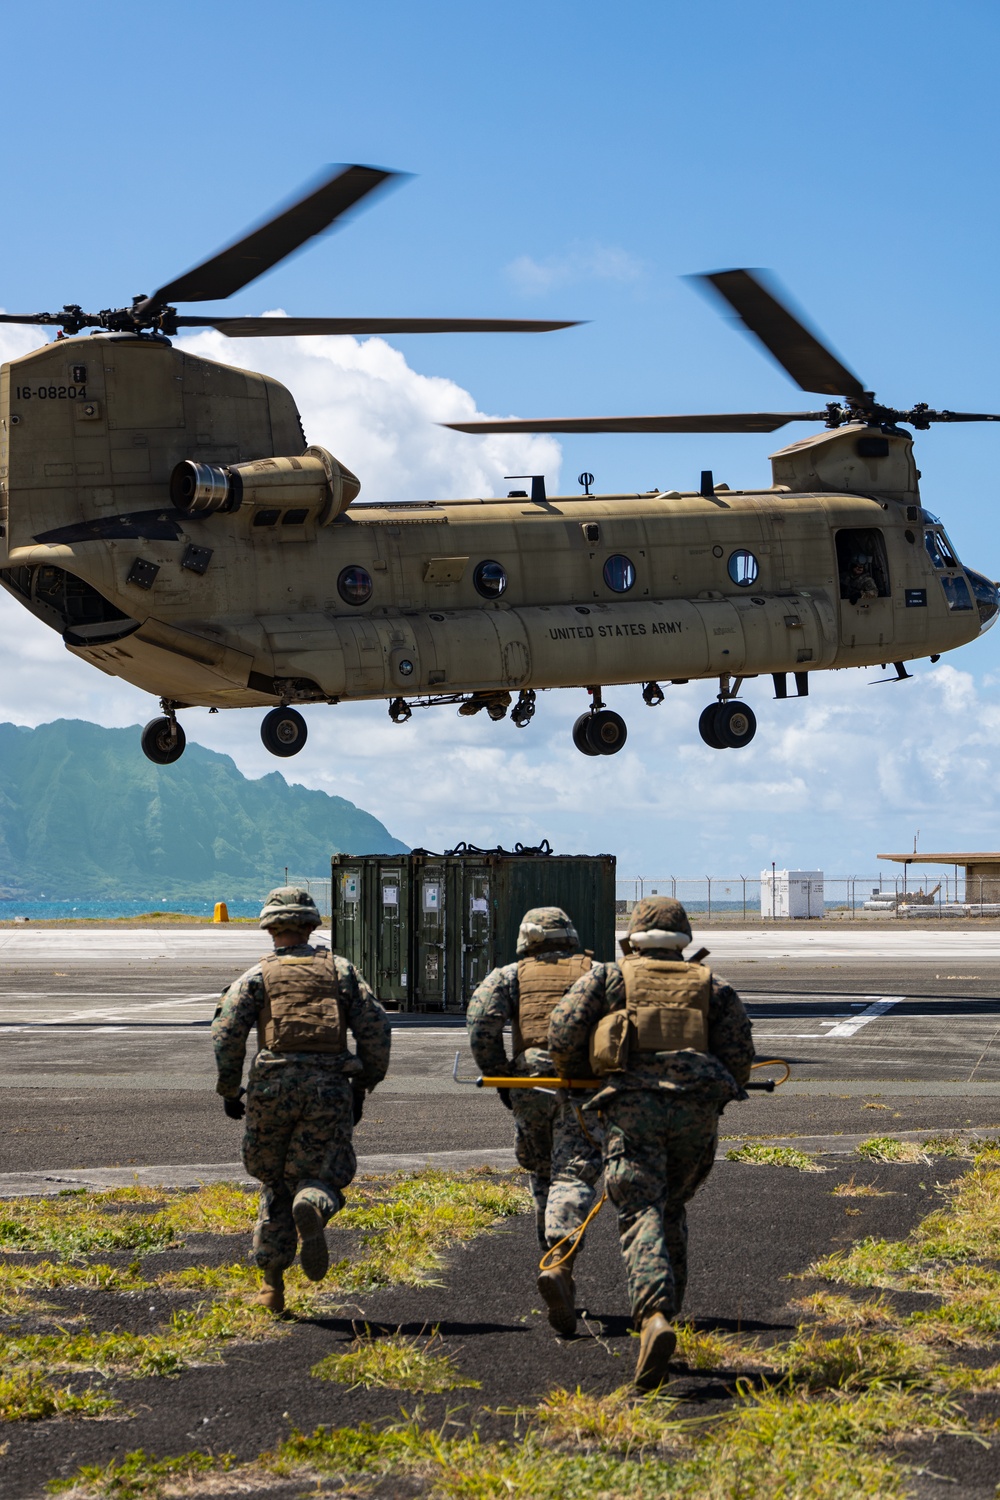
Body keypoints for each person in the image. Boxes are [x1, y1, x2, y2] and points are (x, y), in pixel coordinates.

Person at [548, 896, 753, 1388]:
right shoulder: (713, 986)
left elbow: (563, 1031)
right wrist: (712, 1102)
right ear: (684, 940)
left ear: (633, 936)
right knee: (671, 1206)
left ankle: (654, 1315)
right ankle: (671, 1316)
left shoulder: (609, 978)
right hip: (696, 1113)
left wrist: (580, 1081)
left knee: (640, 1210)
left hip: (632, 1108)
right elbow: (740, 1053)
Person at [211, 886, 391, 1313]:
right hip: (328, 1087)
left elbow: (226, 1032)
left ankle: (272, 1284)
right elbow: (376, 1029)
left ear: (269, 927)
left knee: (274, 1182)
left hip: (271, 1087)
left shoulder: (256, 976)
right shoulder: (342, 972)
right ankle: (313, 1202)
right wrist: (363, 1082)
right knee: (322, 1171)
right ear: (312, 925)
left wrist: (228, 1089)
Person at [466, 906, 603, 1336]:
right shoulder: (597, 973)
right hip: (581, 1082)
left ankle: (550, 1253)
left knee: (541, 1168)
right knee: (573, 1171)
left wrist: (503, 1075)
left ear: (528, 939)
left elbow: (480, 1022)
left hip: (528, 1079)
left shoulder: (510, 976)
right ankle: (560, 1261)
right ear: (570, 936)